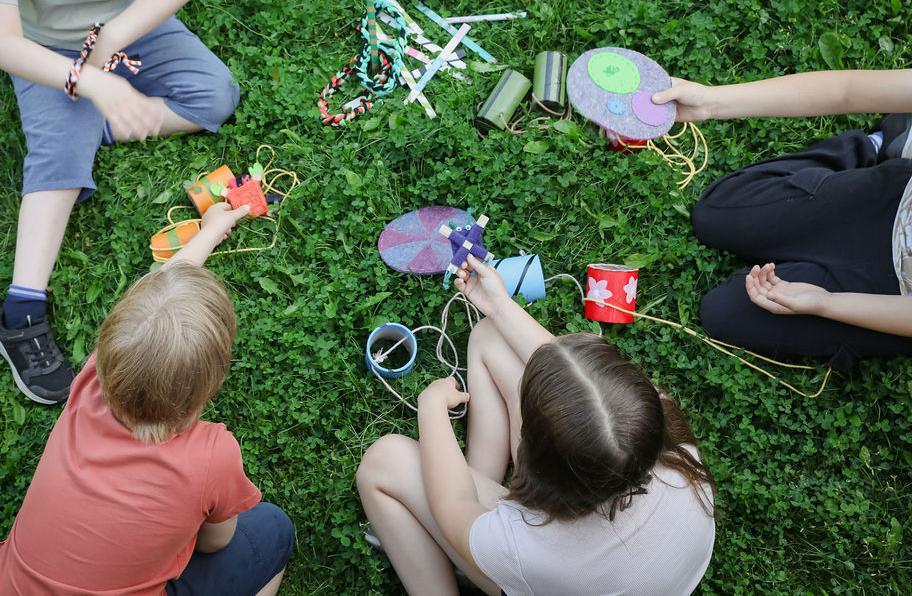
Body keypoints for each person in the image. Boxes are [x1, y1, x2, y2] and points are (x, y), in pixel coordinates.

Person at [0, 0, 241, 403]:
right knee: (57, 158)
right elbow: (5, 43)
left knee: (215, 97)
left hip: (132, 27)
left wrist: (109, 41)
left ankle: (94, 127)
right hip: (48, 55)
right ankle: (20, 310)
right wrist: (86, 79)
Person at [0, 203, 294, 595]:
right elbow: (213, 543)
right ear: (212, 382)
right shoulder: (212, 456)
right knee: (273, 529)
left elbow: (156, 296)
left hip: (0, 588)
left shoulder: (90, 382)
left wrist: (209, 232)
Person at [356, 255, 715, 596]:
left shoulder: (530, 544)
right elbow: (576, 378)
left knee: (384, 462)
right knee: (492, 335)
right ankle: (473, 491)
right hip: (646, 573)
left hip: (546, 577)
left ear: (533, 464)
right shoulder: (650, 424)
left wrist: (431, 407)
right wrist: (498, 305)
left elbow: (452, 503)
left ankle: (460, 555)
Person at [652, 70, 912, 368]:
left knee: (725, 313)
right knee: (717, 211)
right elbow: (846, 90)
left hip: (895, 293)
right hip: (892, 203)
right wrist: (710, 102)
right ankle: (872, 146)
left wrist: (827, 303)